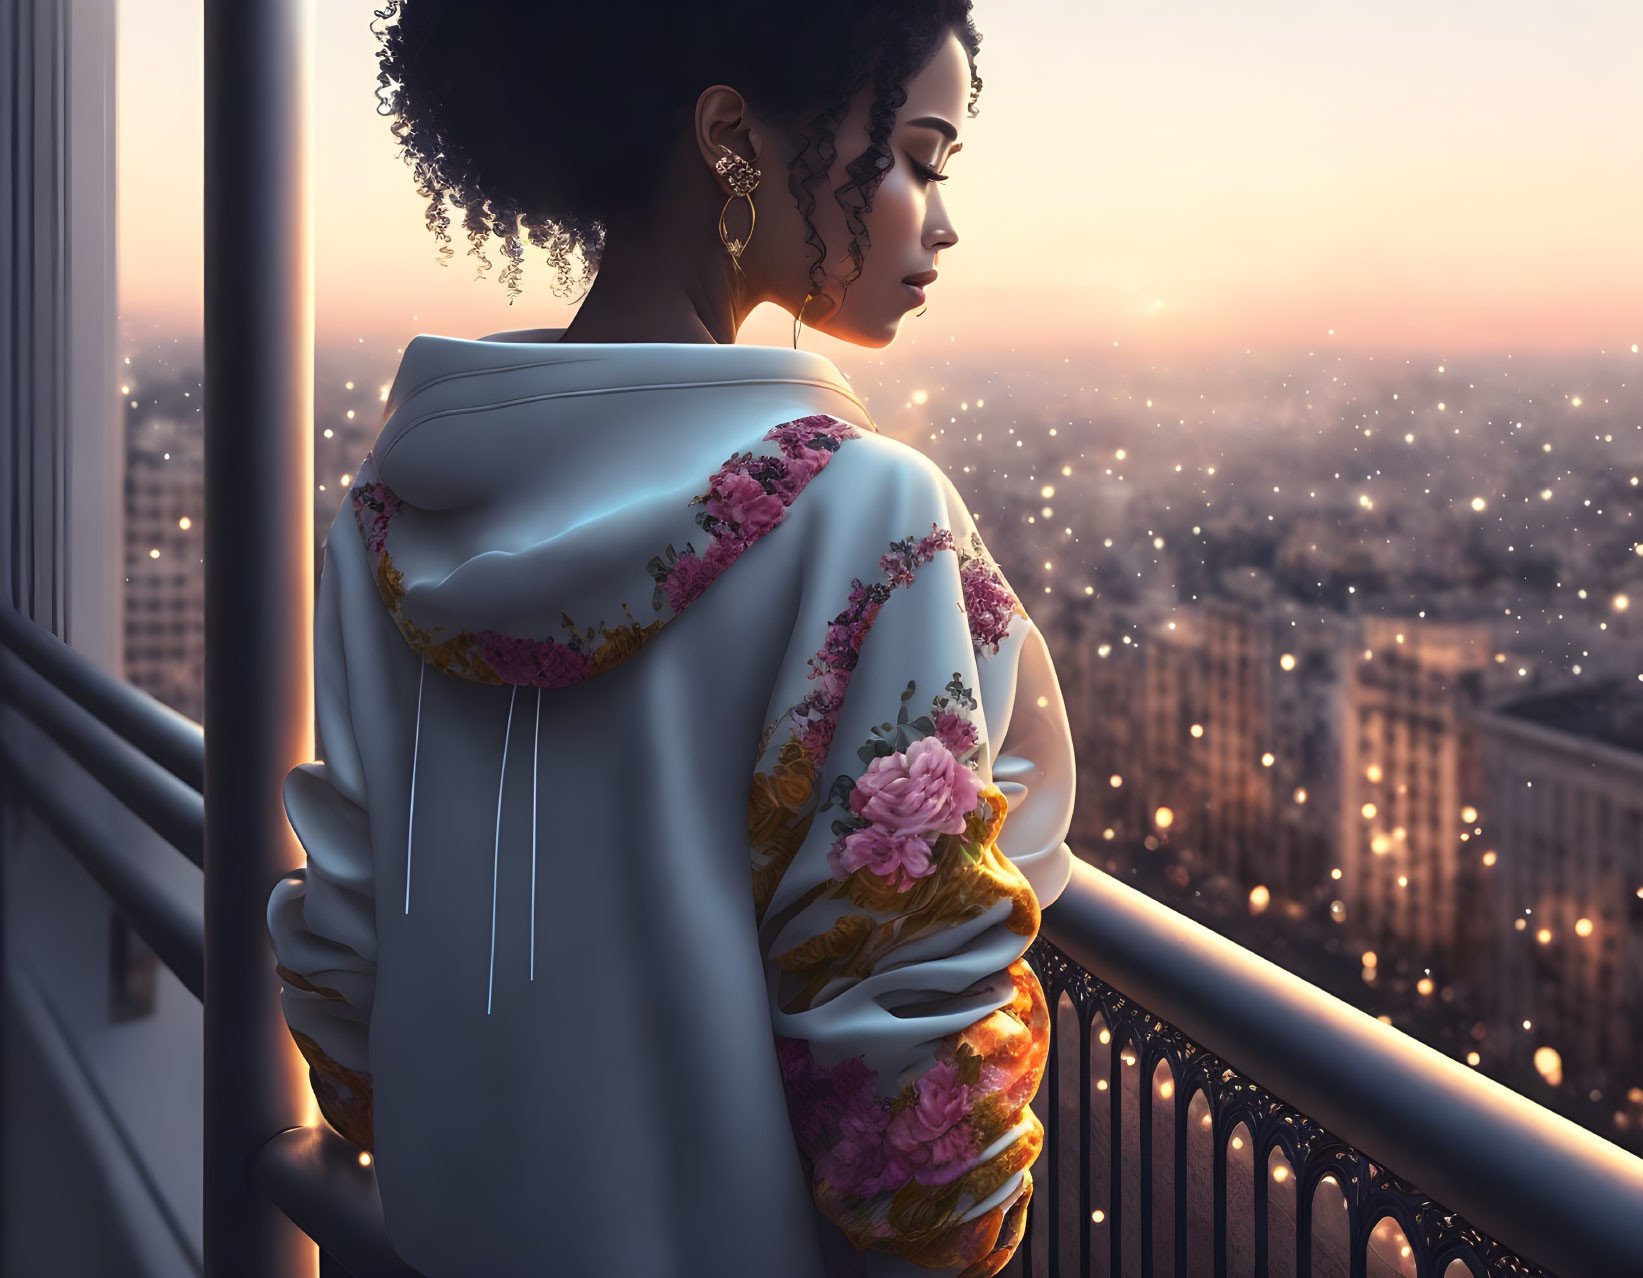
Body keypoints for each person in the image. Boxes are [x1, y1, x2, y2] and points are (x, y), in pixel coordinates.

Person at [266, 3, 1076, 1275]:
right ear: (728, 138)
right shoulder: (860, 514)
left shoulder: (391, 512)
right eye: (918, 155)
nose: (940, 216)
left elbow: (343, 986)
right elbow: (916, 1140)